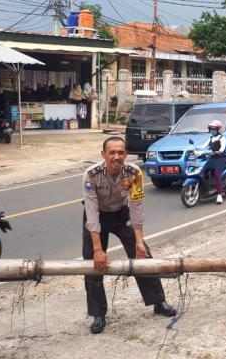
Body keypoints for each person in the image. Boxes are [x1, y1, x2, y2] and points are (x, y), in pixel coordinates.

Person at [82, 137, 176, 334]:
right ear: (103, 155)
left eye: (121, 152)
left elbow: (137, 206)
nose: (116, 157)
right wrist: (98, 250)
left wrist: (139, 241)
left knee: (144, 257)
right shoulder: (91, 175)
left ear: (125, 154)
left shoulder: (135, 173)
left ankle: (158, 302)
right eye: (112, 153)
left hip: (121, 215)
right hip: (97, 217)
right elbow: (91, 213)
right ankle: (98, 314)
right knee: (93, 263)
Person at [201, 120, 226, 204]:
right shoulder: (210, 138)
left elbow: (223, 147)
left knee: (217, 174)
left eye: (214, 129)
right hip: (212, 158)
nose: (212, 131)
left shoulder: (222, 138)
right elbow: (203, 146)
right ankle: (205, 189)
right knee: (203, 171)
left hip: (221, 158)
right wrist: (195, 150)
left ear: (218, 129)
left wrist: (219, 151)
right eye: (211, 129)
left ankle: (219, 195)